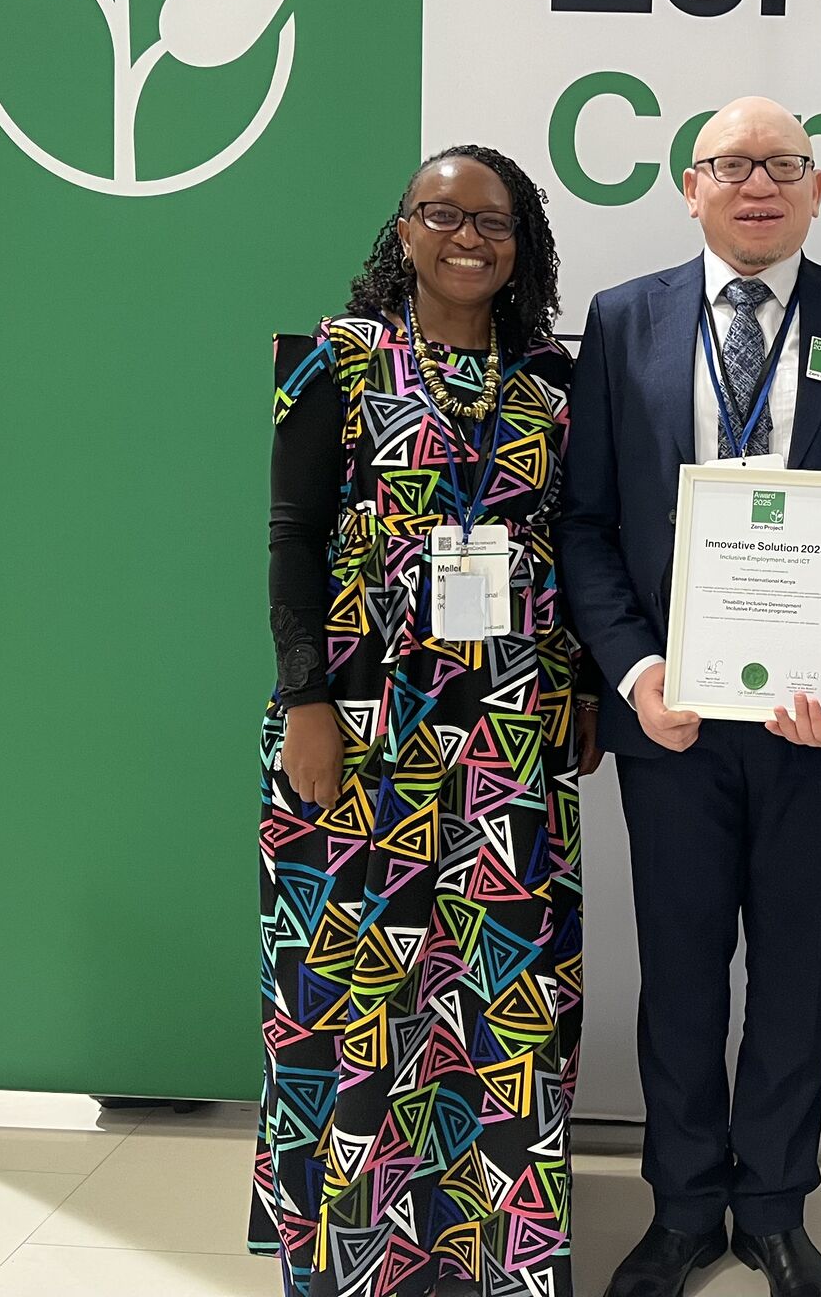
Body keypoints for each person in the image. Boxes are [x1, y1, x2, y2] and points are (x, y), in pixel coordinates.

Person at [559, 97, 821, 1297]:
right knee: (677, 970)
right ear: (690, 186)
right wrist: (635, 670)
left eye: (782, 163)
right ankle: (682, 1208)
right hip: (672, 716)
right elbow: (581, 523)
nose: (758, 183)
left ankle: (773, 1205)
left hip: (814, 721)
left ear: (817, 187)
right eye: (732, 165)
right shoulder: (623, 320)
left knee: (792, 973)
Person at [252, 145, 601, 1297]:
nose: (468, 236)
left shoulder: (559, 377)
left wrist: (587, 686)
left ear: (524, 242)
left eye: (493, 219)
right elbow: (291, 539)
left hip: (508, 723)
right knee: (358, 977)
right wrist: (307, 699)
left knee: (497, 985)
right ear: (400, 231)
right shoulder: (331, 364)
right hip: (360, 714)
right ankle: (350, 1242)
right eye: (441, 214)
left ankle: (488, 1245)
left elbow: (587, 541)